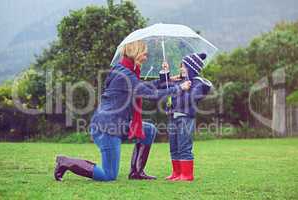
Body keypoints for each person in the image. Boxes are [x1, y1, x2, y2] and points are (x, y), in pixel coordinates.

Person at [54, 40, 192, 182]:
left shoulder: (124, 70)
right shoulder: (125, 75)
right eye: (144, 54)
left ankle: (136, 172)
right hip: (107, 128)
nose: (146, 58)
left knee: (149, 130)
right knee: (108, 175)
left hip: (117, 123)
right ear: (136, 53)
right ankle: (65, 162)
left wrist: (165, 79)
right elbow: (149, 93)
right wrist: (179, 88)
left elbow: (143, 87)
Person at [160, 53, 213, 181]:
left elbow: (190, 100)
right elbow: (165, 86)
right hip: (173, 117)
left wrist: (181, 90)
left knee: (184, 145)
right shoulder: (180, 82)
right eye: (180, 66)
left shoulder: (197, 84)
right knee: (174, 146)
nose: (181, 69)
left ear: (191, 68)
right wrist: (165, 72)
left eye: (183, 66)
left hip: (185, 118)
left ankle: (187, 174)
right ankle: (177, 173)